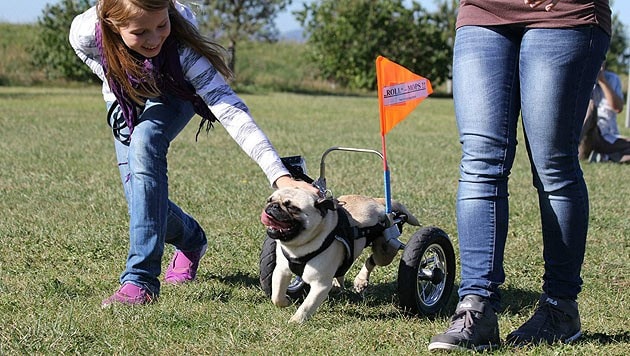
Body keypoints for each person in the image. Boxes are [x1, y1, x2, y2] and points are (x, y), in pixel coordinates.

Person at [69, 0, 318, 307]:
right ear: (111, 26)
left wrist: (279, 174)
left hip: (176, 87)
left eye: (161, 25)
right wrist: (117, 77)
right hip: (125, 96)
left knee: (146, 142)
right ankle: (191, 240)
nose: (154, 38)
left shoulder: (182, 48)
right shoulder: (85, 32)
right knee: (140, 195)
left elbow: (231, 111)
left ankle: (140, 280)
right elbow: (84, 53)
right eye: (140, 32)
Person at [428, 0, 611, 351]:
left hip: (564, 13)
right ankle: (476, 307)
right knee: (479, 162)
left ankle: (560, 307)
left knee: (553, 166)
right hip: (483, 12)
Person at [579, 63, 629, 163]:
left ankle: (604, 157)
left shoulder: (612, 79)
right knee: (591, 105)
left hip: (608, 137)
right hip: (586, 136)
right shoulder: (580, 79)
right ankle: (574, 148)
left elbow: (618, 108)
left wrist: (602, 81)